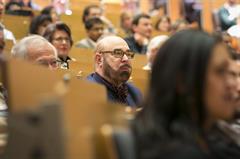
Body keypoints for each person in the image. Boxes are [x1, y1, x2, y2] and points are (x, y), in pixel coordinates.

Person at [133, 30, 240, 159]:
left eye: (232, 74)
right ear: (182, 81)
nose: (234, 85)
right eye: (220, 72)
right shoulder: (177, 152)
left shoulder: (210, 136)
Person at [87, 36, 142, 107]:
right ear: (99, 59)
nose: (126, 59)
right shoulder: (86, 92)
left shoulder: (134, 92)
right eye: (118, 53)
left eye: (128, 54)